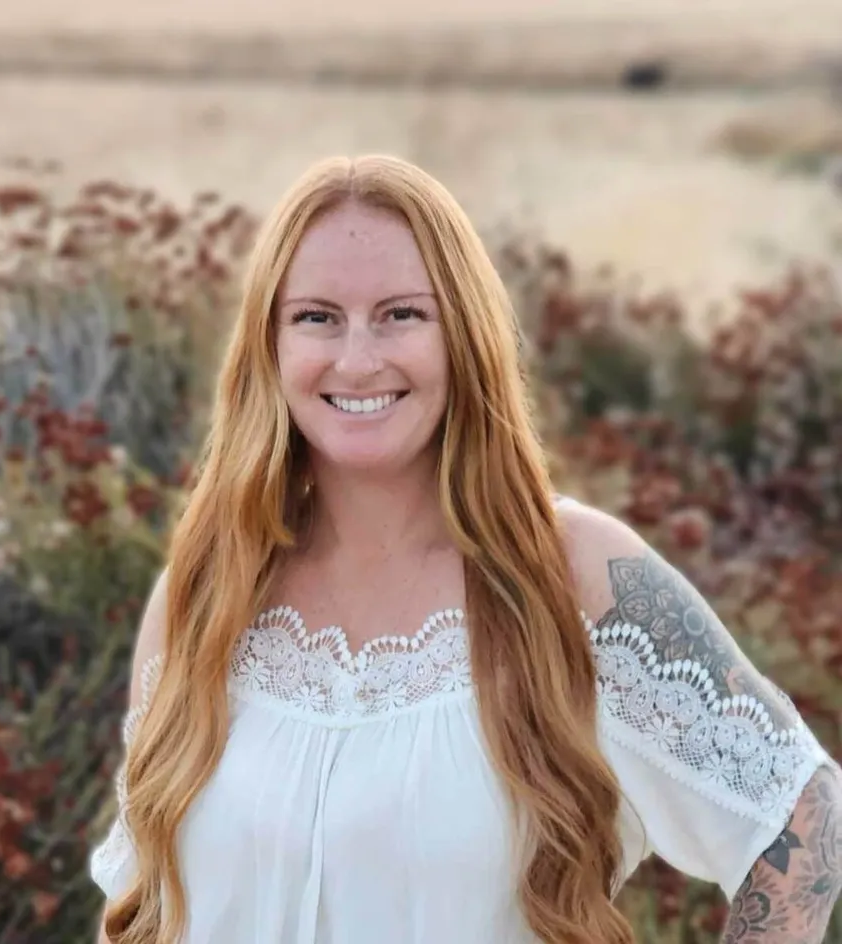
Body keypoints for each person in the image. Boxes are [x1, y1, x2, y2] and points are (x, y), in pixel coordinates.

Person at [89, 154, 840, 944]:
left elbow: (799, 812)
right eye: (316, 317)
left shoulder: (570, 574)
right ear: (268, 347)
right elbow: (145, 912)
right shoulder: (203, 595)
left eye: (401, 314)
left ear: (464, 335)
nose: (357, 358)